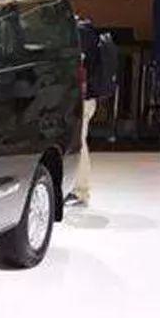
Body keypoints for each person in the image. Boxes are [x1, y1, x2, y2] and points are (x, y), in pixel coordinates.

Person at [67, 18, 118, 206]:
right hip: (87, 99)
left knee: (79, 144)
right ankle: (76, 189)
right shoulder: (86, 32)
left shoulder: (78, 35)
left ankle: (81, 191)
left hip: (82, 100)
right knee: (78, 143)